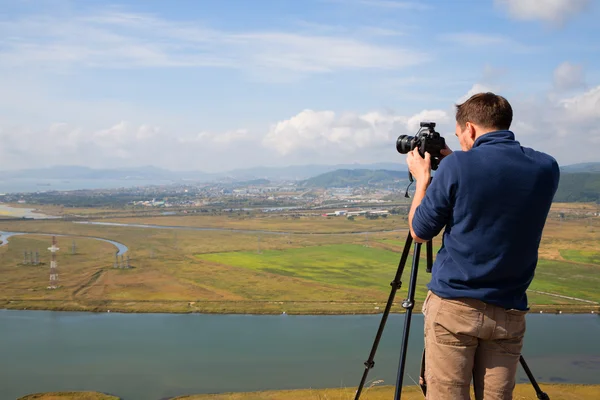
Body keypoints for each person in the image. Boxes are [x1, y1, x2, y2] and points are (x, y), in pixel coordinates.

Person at [405, 92, 560, 400]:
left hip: (454, 309)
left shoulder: (458, 166)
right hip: (509, 309)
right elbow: (497, 181)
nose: (461, 141)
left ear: (471, 128)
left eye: (460, 133)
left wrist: (422, 179)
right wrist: (456, 161)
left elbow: (420, 232)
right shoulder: (546, 167)